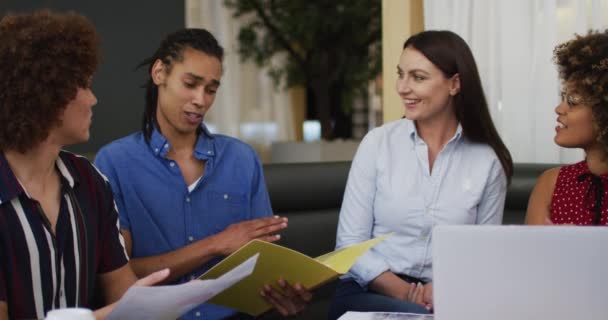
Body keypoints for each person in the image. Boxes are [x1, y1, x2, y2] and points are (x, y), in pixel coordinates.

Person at [94, 28, 311, 319]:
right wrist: (216, 244)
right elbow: (121, 277)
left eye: (210, 89)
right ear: (159, 73)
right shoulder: (115, 162)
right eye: (190, 83)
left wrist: (283, 295)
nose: (201, 100)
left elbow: (261, 261)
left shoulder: (242, 159)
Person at [328, 30, 513, 319]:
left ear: (454, 84)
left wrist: (442, 288)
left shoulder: (487, 161)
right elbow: (349, 245)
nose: (402, 88)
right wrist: (406, 294)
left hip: (451, 294)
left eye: (418, 77)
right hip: (369, 292)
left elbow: (483, 253)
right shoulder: (377, 144)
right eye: (400, 74)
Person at [0, 10, 168, 320]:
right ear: (46, 92)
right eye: (84, 85)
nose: (93, 99)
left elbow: (124, 296)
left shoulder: (89, 181)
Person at [526, 30, 608, 226]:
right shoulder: (550, 184)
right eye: (563, 98)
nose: (559, 109)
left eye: (573, 101)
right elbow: (531, 256)